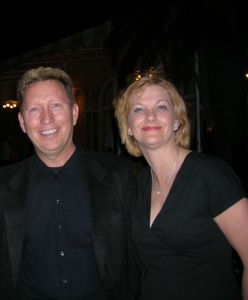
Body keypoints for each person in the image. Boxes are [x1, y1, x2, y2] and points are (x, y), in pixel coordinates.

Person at [0, 66, 140, 300]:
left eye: (56, 106)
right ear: (22, 121)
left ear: (75, 113)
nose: (46, 119)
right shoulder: (1, 185)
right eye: (34, 109)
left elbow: (135, 262)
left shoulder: (118, 175)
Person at [114, 70, 248, 300]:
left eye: (162, 107)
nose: (150, 116)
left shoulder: (209, 175)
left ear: (177, 121)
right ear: (128, 127)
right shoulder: (137, 185)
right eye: (138, 109)